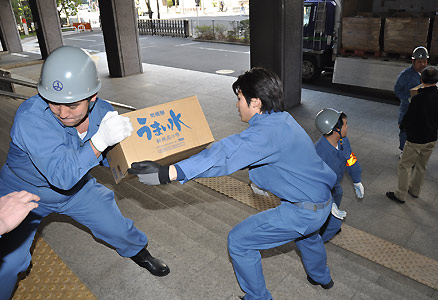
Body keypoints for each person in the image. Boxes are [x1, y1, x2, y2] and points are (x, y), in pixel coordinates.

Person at [129, 67, 337, 300]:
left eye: (239, 99)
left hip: (302, 212)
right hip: (322, 202)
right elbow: (234, 159)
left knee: (239, 241)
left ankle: (257, 298)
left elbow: (226, 154)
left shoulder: (264, 134)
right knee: (309, 237)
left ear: (255, 102)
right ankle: (321, 277)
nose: (237, 105)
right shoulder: (282, 120)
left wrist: (170, 172)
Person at [0, 46, 169, 300]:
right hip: (21, 189)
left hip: (77, 189)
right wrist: (99, 141)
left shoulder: (103, 112)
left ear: (92, 97)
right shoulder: (31, 117)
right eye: (54, 103)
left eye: (72, 105)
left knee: (116, 226)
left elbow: (104, 159)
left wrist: (133, 163)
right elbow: (62, 174)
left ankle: (138, 251)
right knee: (7, 263)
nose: (63, 113)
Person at [387, 66, 438, 203]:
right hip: (432, 137)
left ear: (421, 79)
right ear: (437, 80)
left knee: (405, 165)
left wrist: (402, 126)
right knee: (422, 165)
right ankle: (415, 190)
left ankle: (400, 194)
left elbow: (409, 117)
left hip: (416, 138)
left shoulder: (417, 99)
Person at [314, 108, 364, 242]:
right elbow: (317, 184)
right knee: (333, 222)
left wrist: (357, 180)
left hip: (335, 187)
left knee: (336, 202)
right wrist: (329, 203)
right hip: (322, 193)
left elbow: (351, 160)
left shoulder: (343, 142)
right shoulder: (319, 154)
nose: (347, 127)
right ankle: (315, 243)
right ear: (336, 130)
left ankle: (327, 225)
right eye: (345, 124)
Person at [394, 46, 429, 156]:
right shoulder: (406, 75)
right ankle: (403, 151)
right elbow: (397, 90)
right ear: (413, 61)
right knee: (405, 130)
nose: (422, 64)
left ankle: (414, 150)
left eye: (424, 62)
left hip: (421, 109)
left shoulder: (427, 74)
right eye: (419, 62)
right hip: (407, 109)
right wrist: (408, 98)